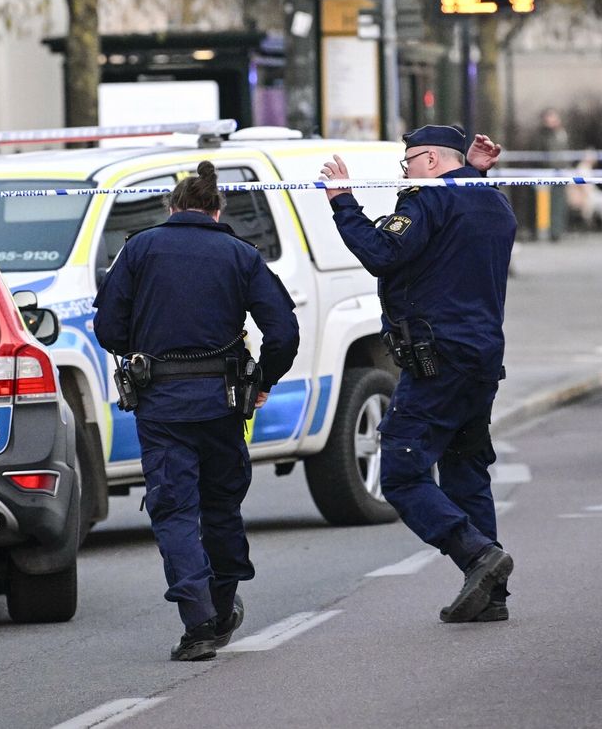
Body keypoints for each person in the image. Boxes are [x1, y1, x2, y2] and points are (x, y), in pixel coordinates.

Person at [93, 161, 300, 661]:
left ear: (172, 208)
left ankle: (199, 621)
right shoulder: (240, 253)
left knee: (175, 511)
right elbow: (284, 332)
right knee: (222, 506)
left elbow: (107, 328)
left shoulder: (139, 248)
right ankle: (224, 605)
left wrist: (142, 350)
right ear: (217, 209)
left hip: (161, 406)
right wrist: (263, 381)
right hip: (224, 404)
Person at [319, 126, 516, 623]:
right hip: (481, 359)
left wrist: (342, 200)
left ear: (429, 161)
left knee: (403, 474)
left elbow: (383, 254)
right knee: (465, 471)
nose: (404, 174)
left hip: (438, 359)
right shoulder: (493, 201)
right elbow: (459, 216)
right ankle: (491, 595)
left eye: (408, 164)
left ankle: (476, 555)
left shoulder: (426, 201)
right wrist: (471, 170)